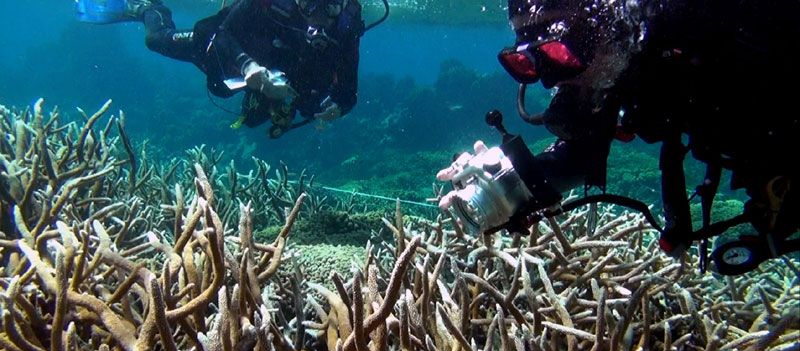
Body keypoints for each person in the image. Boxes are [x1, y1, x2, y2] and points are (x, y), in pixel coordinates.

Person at [437, 0, 799, 275]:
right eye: (527, 62)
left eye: (558, 55)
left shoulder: (735, 42)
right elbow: (579, 156)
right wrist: (510, 183)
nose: (548, 81)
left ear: (609, 28)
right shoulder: (619, 65)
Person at [79, 0, 369, 138]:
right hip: (227, 53)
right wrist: (248, 65)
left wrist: (337, 108)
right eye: (309, 3)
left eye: (330, 5)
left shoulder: (347, 27)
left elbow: (349, 91)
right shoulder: (269, 4)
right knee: (155, 40)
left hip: (277, 76)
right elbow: (218, 30)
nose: (318, 15)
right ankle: (147, 8)